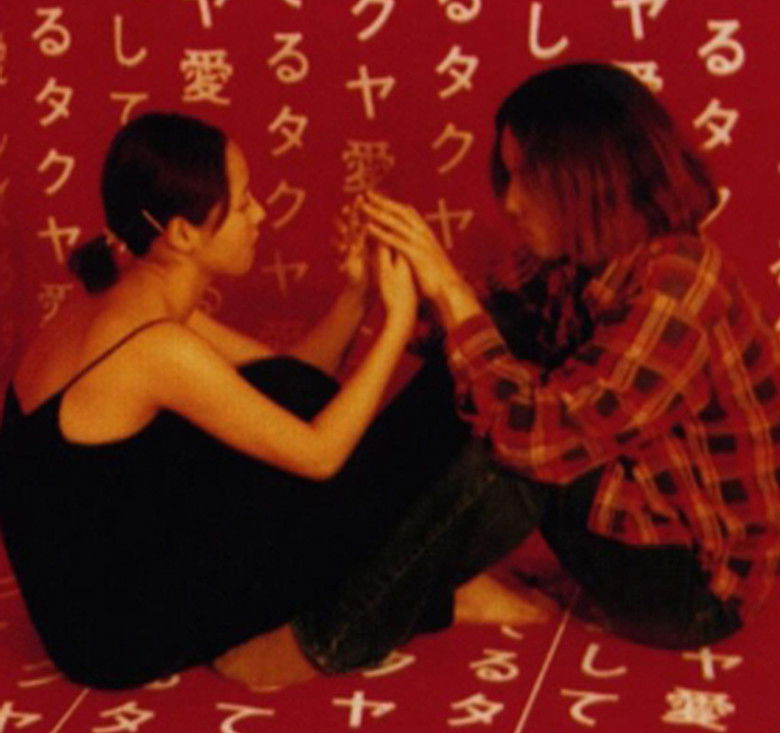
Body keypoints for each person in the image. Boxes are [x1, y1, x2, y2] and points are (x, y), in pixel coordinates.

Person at [0, 112, 550, 692]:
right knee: (432, 414)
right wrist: (397, 321)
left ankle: (426, 583)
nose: (260, 214)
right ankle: (428, 591)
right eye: (242, 204)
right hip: (123, 635)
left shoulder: (120, 297)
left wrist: (359, 292)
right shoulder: (152, 347)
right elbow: (320, 455)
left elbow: (284, 382)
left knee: (308, 401)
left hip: (125, 578)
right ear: (183, 234)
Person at [364, 60, 780, 649]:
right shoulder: (578, 254)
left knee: (511, 424)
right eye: (507, 178)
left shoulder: (679, 285)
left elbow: (537, 440)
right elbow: (464, 331)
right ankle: (357, 533)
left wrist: (449, 292)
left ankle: (374, 602)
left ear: (589, 180)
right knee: (487, 344)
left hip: (693, 591)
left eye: (527, 180)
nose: (510, 204)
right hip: (640, 509)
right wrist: (388, 282)